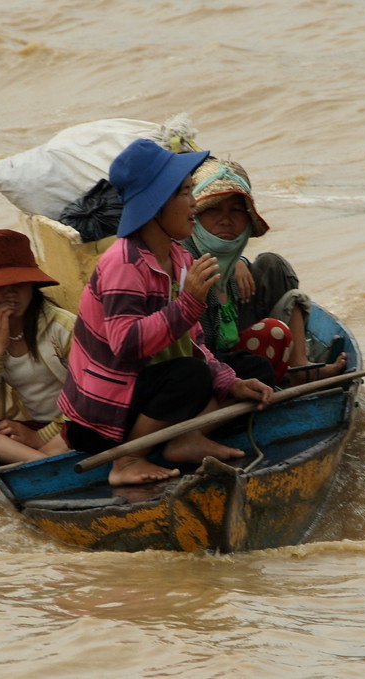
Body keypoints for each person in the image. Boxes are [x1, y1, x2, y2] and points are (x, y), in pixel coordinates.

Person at [57, 139, 274, 487]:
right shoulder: (123, 262)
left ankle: (185, 438)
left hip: (150, 398)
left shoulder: (180, 259)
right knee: (189, 375)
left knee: (251, 370)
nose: (193, 203)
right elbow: (125, 344)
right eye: (185, 193)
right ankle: (127, 459)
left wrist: (231, 382)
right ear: (156, 204)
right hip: (104, 421)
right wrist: (188, 304)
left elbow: (196, 343)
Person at [183, 157, 347, 384]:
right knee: (272, 332)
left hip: (237, 355)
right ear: (196, 217)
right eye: (213, 210)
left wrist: (240, 262)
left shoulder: (232, 264)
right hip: (209, 370)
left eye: (236, 211)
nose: (225, 220)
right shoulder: (185, 261)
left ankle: (298, 365)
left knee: (273, 264)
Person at [0, 229, 75, 464]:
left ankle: (36, 461)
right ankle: (41, 461)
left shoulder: (64, 327)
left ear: (32, 285)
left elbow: (90, 396)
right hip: (27, 425)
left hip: (73, 422)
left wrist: (40, 437)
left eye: (17, 285)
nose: (10, 295)